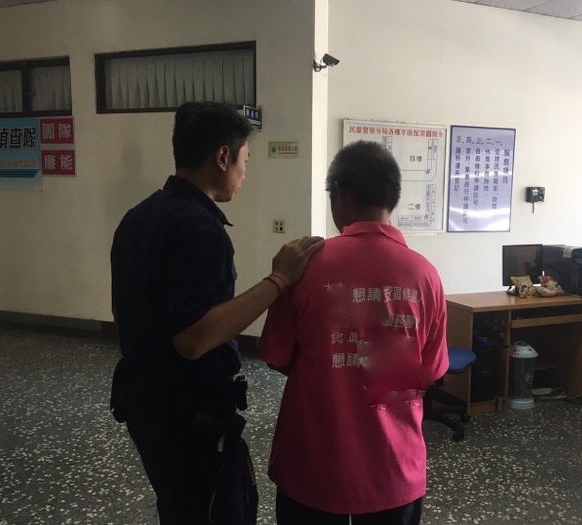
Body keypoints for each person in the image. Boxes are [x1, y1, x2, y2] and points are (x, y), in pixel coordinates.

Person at [110, 101, 323, 525]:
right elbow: (193, 339)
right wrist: (279, 280)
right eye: (245, 161)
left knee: (180, 508)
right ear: (223, 156)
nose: (245, 174)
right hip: (186, 415)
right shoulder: (199, 229)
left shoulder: (139, 216)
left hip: (145, 403)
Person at [260, 140, 449, 525]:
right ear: (392, 197)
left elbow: (276, 356)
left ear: (340, 193)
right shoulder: (425, 274)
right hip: (393, 468)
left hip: (314, 467)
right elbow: (431, 370)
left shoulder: (303, 267)